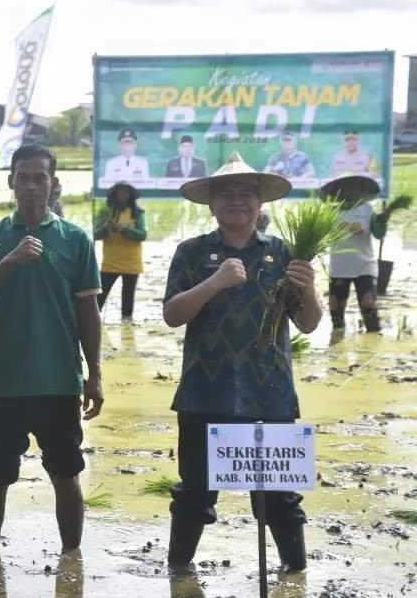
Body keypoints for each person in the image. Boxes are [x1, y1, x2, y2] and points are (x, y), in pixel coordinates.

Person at [162, 152, 322, 572]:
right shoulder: (191, 252)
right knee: (195, 493)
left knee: (278, 498)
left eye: (247, 194)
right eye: (227, 194)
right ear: (211, 204)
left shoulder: (284, 252)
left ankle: (294, 578)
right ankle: (179, 576)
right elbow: (173, 315)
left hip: (270, 394)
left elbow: (308, 323)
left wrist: (309, 288)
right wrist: (214, 283)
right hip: (204, 394)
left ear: (259, 203)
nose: (237, 201)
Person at [0, 144, 103, 552]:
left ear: (53, 183)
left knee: (66, 473)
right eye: (22, 177)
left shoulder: (75, 239)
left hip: (58, 380)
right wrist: (11, 260)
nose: (30, 186)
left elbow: (89, 312)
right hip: (4, 380)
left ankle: (71, 560)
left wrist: (94, 374)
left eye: (39, 178)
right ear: (11, 182)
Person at [321, 175, 387, 332]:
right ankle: (337, 338)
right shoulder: (331, 211)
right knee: (336, 308)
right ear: (338, 192)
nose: (351, 191)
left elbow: (379, 234)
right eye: (346, 188)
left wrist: (382, 222)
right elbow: (321, 234)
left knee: (368, 304)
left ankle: (374, 336)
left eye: (355, 188)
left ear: (361, 191)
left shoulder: (367, 210)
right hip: (339, 267)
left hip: (364, 265)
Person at [94, 182, 147, 320]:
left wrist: (124, 229)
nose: (122, 195)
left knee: (128, 298)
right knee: (99, 297)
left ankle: (127, 324)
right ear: (114, 195)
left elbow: (142, 235)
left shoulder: (138, 213)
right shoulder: (105, 212)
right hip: (110, 262)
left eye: (125, 192)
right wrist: (106, 229)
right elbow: (95, 234)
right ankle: (91, 321)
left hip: (132, 262)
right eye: (119, 192)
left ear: (130, 196)